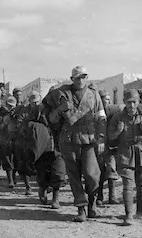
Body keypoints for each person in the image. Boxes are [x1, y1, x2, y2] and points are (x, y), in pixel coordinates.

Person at [42, 65, 106, 222]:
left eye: (84, 77)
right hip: (69, 140)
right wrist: (59, 109)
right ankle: (81, 209)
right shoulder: (62, 94)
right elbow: (52, 119)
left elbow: (101, 117)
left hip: (89, 139)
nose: (81, 80)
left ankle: (92, 204)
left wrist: (102, 137)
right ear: (72, 79)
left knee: (92, 174)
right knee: (74, 176)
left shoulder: (93, 95)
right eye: (78, 77)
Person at [108, 89, 142, 226]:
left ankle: (140, 211)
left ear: (139, 102)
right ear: (124, 102)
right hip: (125, 153)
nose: (132, 105)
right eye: (129, 102)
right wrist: (118, 131)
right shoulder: (117, 117)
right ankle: (129, 214)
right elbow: (110, 137)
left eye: (134, 102)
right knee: (128, 185)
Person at [19, 91, 61, 208]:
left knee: (58, 173)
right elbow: (26, 125)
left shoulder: (62, 109)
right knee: (42, 173)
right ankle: (42, 188)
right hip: (42, 148)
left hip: (58, 147)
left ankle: (55, 199)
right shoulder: (39, 109)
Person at [0, 96, 31, 194]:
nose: (11, 108)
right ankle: (11, 180)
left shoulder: (20, 112)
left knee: (17, 161)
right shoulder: (2, 114)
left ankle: (16, 181)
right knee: (7, 161)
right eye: (9, 106)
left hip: (17, 141)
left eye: (12, 106)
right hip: (5, 141)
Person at [95, 90, 122, 206]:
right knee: (99, 171)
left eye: (108, 99)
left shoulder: (113, 111)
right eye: (104, 99)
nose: (107, 102)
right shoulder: (95, 112)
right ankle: (99, 196)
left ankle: (112, 196)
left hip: (110, 145)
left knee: (111, 170)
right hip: (98, 146)